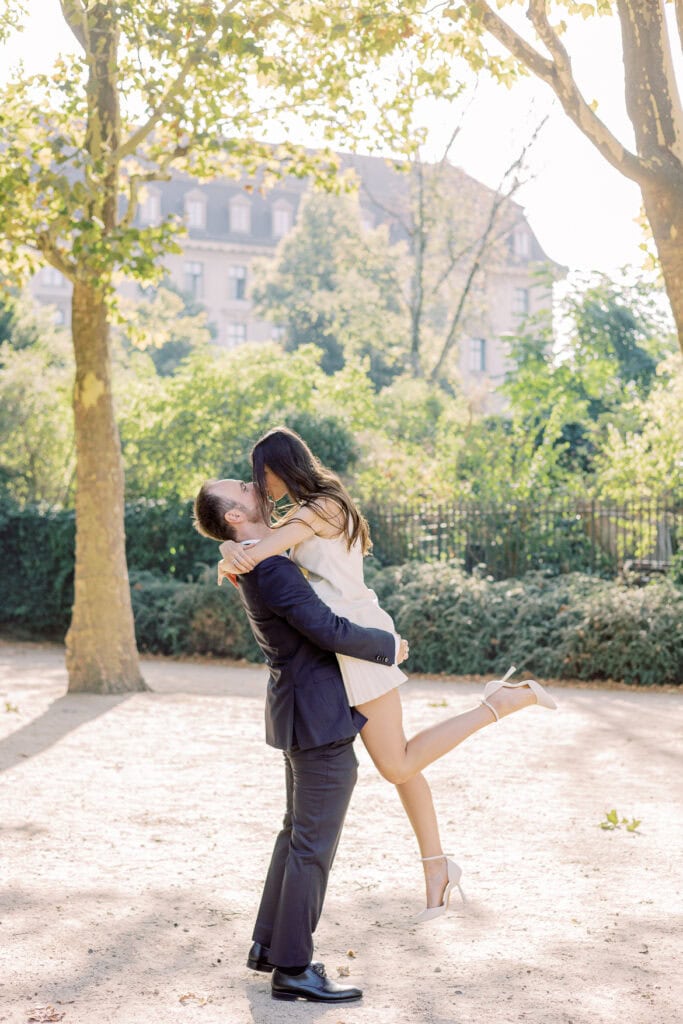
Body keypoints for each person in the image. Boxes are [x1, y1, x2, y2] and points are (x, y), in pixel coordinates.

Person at [214, 427, 557, 922]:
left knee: (396, 764)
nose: (260, 487)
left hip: (357, 638)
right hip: (340, 640)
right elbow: (257, 547)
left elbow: (259, 550)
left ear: (281, 466)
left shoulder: (323, 506)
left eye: (260, 477)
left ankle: (498, 704)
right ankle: (436, 866)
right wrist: (231, 552)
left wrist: (231, 553)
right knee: (402, 763)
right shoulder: (301, 512)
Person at [193, 476, 407, 1003]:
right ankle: (293, 968)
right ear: (236, 516)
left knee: (297, 837)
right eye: (243, 489)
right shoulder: (268, 566)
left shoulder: (254, 557)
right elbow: (328, 629)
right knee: (311, 845)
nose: (252, 485)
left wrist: (229, 547)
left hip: (300, 711)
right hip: (317, 717)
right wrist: (389, 645)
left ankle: (271, 948)